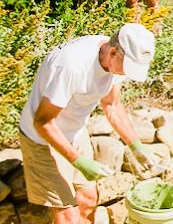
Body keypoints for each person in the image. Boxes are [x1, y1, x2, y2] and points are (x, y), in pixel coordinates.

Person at [18, 23, 160, 223]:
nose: (126, 74)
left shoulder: (113, 60)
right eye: (127, 67)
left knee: (88, 199)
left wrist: (136, 146)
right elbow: (43, 122)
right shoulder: (71, 65)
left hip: (74, 130)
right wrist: (78, 161)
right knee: (68, 216)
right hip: (41, 138)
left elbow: (111, 105)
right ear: (112, 52)